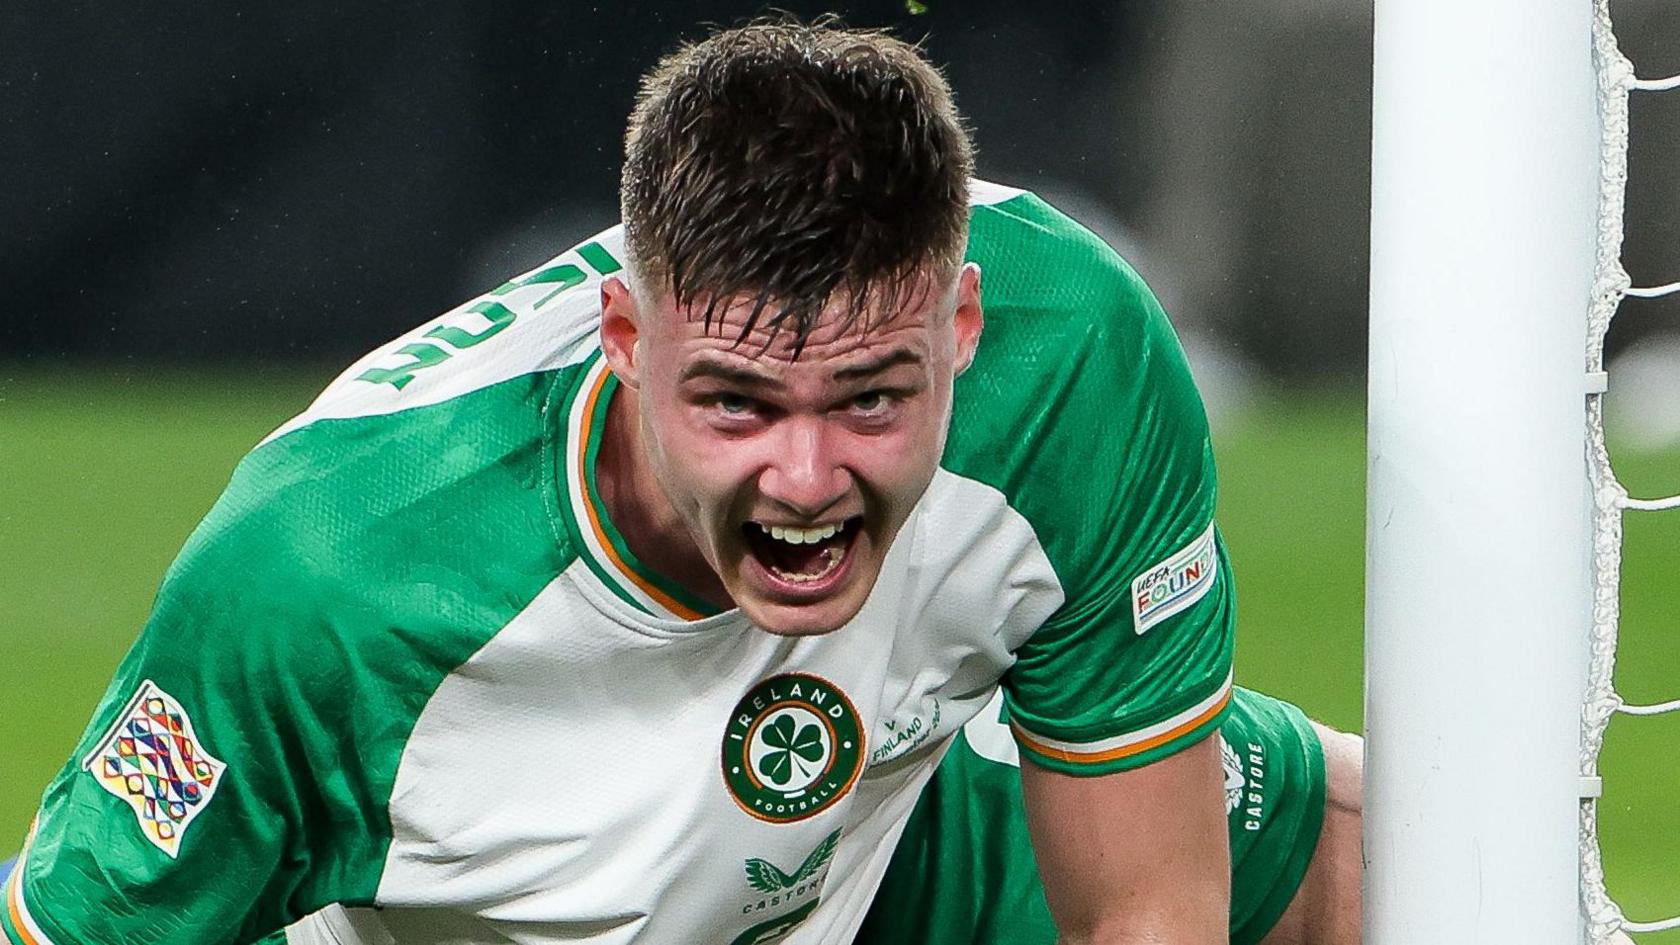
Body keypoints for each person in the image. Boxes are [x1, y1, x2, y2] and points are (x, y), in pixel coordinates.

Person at [0, 19, 1360, 945]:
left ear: (961, 329)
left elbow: (1150, 908)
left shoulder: (1070, 359)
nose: (808, 479)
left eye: (873, 397)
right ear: (627, 341)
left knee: (1416, 857)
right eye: (737, 403)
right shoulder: (325, 583)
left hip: (895, 826)